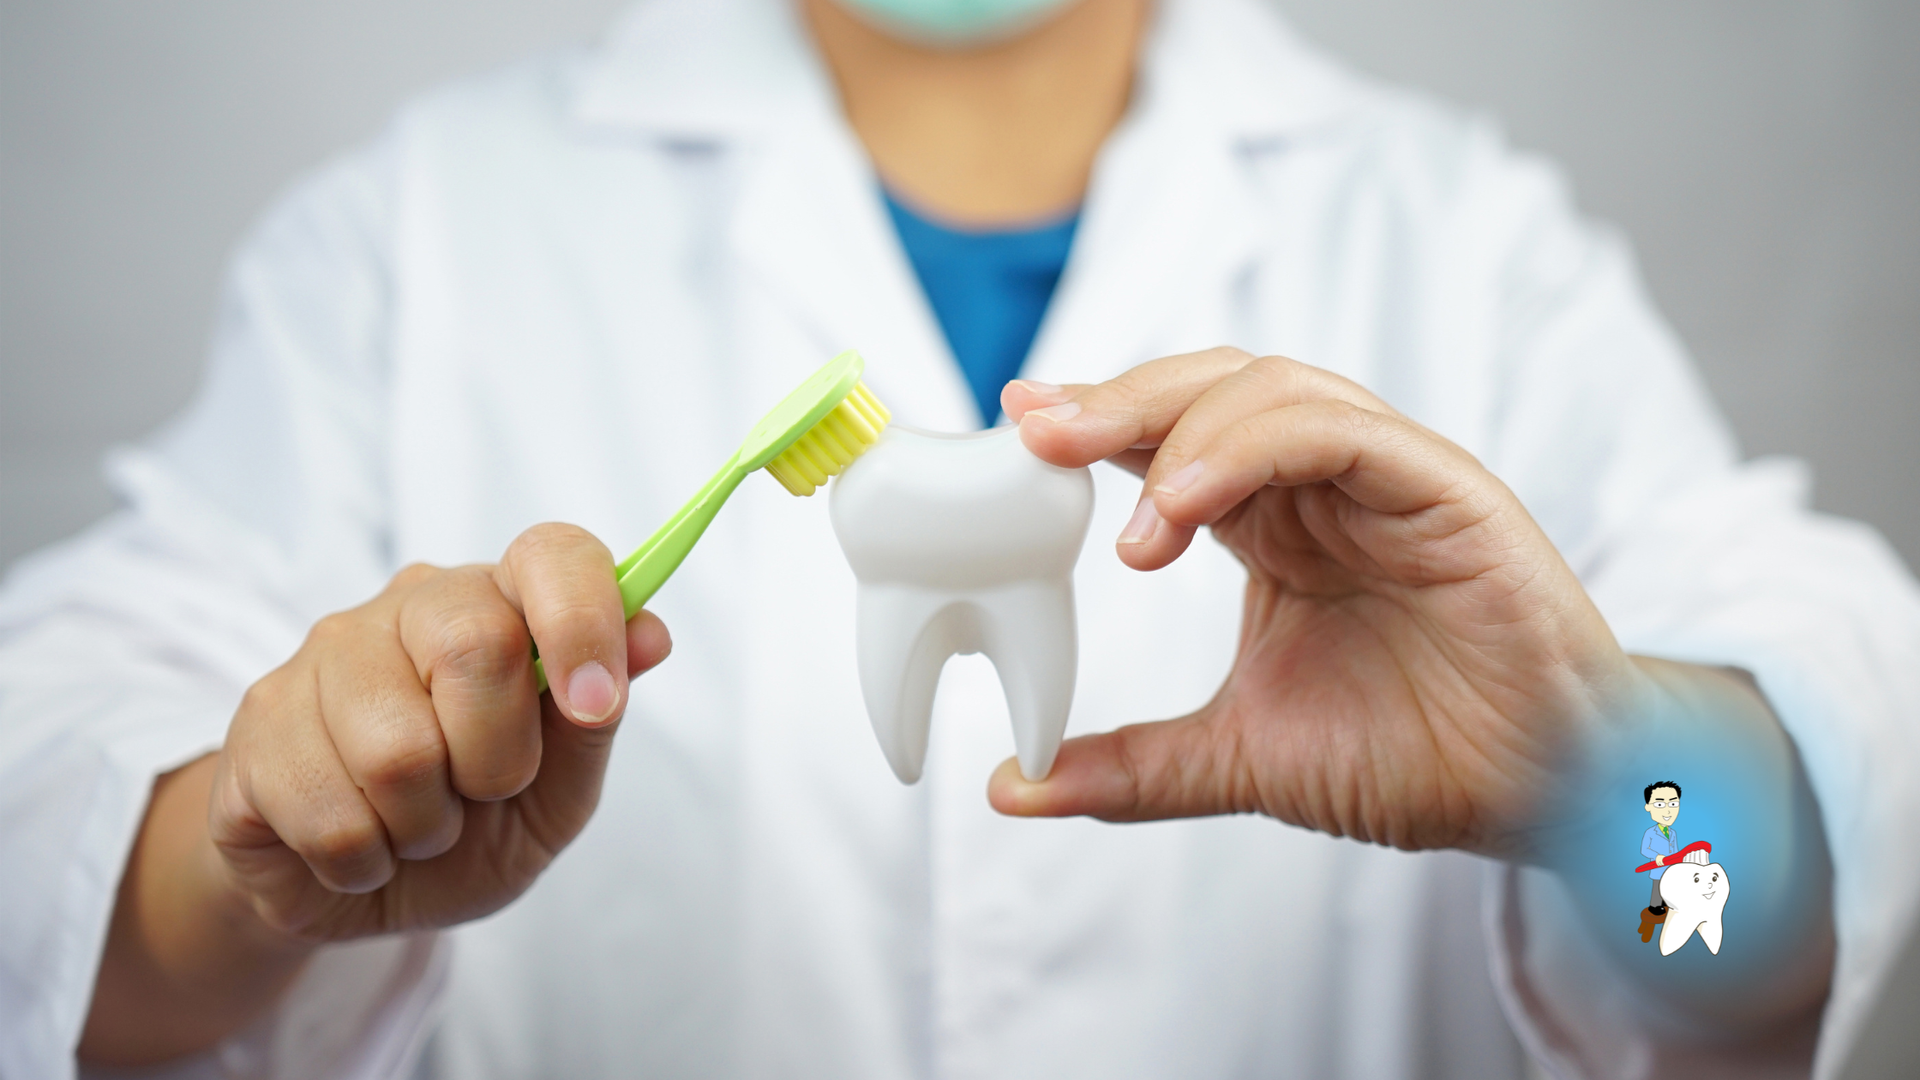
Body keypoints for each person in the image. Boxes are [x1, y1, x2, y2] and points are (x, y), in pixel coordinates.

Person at [1, 0, 1917, 1077]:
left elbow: (1729, 932)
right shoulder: (418, 239)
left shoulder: (1471, 250)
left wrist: (1619, 789)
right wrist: (251, 866)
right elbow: (57, 873)